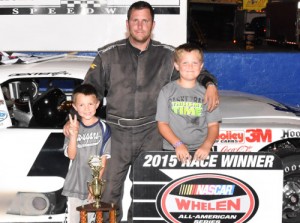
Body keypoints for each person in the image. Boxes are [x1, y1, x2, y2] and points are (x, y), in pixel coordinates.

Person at [64, 1, 219, 222]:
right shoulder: (108, 55)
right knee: (107, 193)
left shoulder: (167, 55)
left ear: (152, 24)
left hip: (152, 132)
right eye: (135, 21)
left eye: (144, 20)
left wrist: (211, 84)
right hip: (116, 134)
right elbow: (88, 92)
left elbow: (192, 68)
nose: (139, 26)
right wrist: (72, 121)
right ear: (127, 24)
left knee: (146, 192)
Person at [156, 43, 221, 163]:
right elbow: (162, 124)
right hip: (173, 150)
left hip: (202, 151)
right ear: (176, 65)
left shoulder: (208, 93)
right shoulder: (166, 91)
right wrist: (178, 145)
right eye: (185, 63)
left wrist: (206, 146)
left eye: (194, 63)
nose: (190, 67)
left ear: (201, 66)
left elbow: (213, 125)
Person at [62, 84, 111, 223]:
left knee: (89, 219)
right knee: (73, 219)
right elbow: (71, 155)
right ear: (75, 107)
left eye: (90, 104)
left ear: (97, 104)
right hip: (75, 184)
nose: (87, 108)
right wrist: (74, 135)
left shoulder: (104, 128)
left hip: (92, 185)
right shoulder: (72, 126)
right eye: (82, 105)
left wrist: (95, 184)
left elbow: (103, 159)